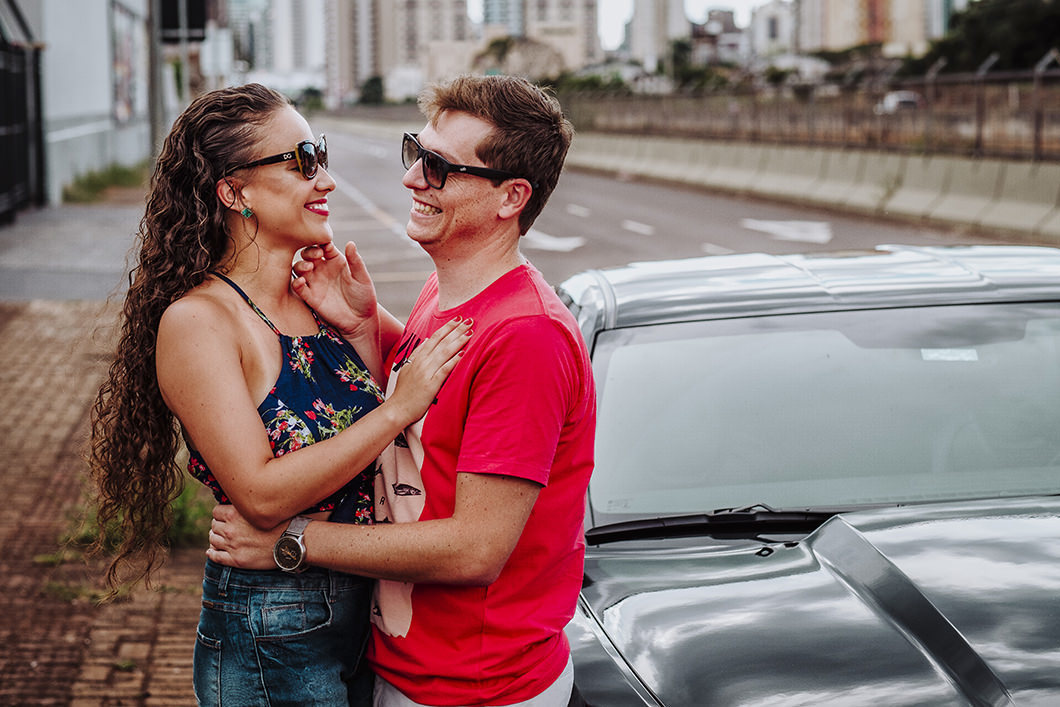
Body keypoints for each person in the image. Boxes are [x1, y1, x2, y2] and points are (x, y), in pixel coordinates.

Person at [208, 74, 596, 707]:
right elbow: (437, 402)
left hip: (477, 688)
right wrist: (367, 325)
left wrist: (291, 543)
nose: (414, 177)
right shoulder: (448, 294)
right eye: (417, 150)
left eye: (440, 167)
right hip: (413, 668)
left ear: (510, 198)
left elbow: (475, 549)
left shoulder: (528, 336)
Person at [88, 83, 470, 706]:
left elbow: (363, 448)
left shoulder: (314, 298)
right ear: (234, 191)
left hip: (360, 607)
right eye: (302, 161)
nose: (326, 179)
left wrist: (359, 326)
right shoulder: (200, 323)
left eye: (318, 154)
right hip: (271, 626)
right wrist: (402, 406)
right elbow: (262, 496)